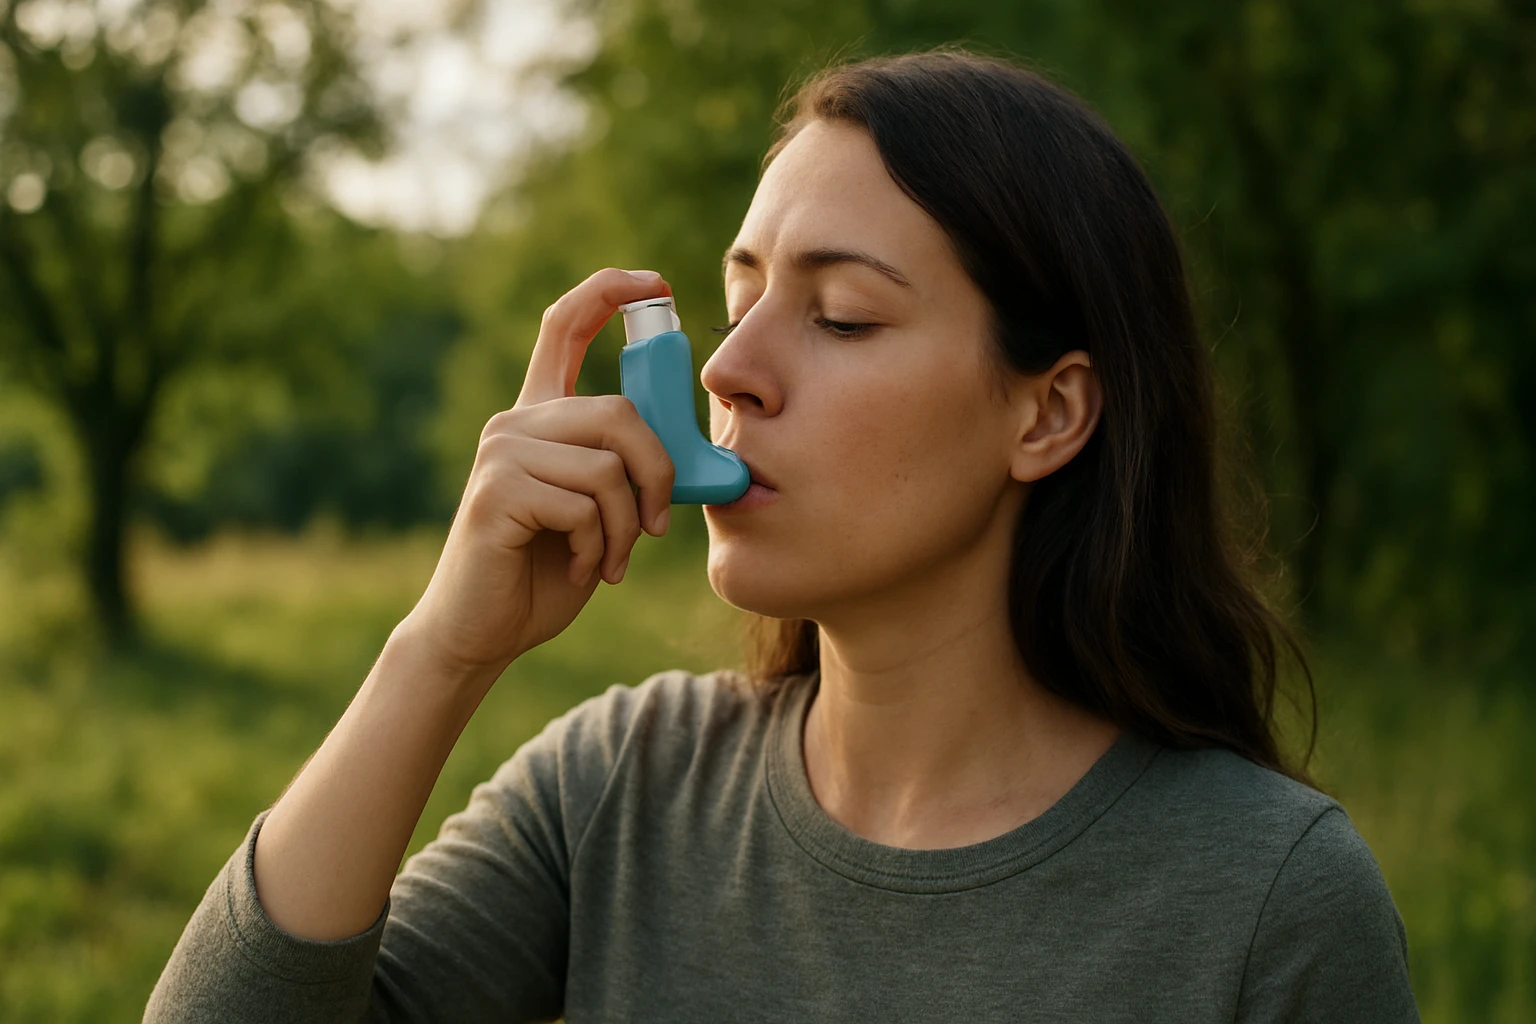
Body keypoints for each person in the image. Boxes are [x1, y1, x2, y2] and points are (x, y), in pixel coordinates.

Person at [145, 47, 1419, 1022]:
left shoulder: (1271, 898)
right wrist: (440, 650)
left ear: (1049, 413)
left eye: (843, 316)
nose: (728, 371)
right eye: (738, 298)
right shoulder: (618, 787)